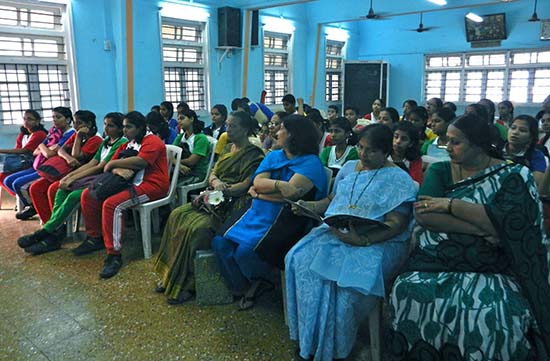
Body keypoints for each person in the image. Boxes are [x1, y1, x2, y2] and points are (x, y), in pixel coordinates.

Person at [388, 113, 550, 360]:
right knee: (407, 288)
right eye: (447, 142)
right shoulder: (441, 170)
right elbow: (424, 215)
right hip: (438, 258)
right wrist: (483, 226)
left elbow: (516, 224)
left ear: (478, 144)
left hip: (496, 264)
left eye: (456, 142)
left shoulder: (514, 175)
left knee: (495, 313)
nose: (448, 148)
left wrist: (451, 205)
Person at [286, 124, 417, 361]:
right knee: (299, 260)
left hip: (379, 242)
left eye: (371, 151)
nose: (363, 155)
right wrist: (310, 207)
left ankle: (338, 348)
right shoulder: (348, 168)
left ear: (386, 152)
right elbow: (332, 200)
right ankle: (312, 340)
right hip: (339, 233)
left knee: (343, 285)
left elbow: (396, 223)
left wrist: (363, 239)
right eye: (360, 147)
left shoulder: (399, 179)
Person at [212, 115, 328, 310]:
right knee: (219, 242)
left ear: (294, 135)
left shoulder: (311, 164)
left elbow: (288, 198)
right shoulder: (275, 155)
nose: (276, 132)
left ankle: (257, 282)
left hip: (287, 217)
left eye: (281, 129)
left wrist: (259, 194)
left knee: (245, 251)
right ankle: (243, 285)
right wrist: (278, 185)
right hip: (256, 211)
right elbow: (258, 182)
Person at [153, 111, 265, 304]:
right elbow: (213, 172)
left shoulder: (255, 155)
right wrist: (214, 183)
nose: (228, 129)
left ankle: (188, 284)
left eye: (233, 126)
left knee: (198, 229)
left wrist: (224, 190)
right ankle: (170, 274)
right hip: (213, 195)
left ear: (246, 129)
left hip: (233, 201)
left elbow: (246, 185)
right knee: (176, 215)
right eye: (227, 125)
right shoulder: (229, 148)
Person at [16, 112, 126, 255]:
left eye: (110, 125)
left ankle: (46, 232)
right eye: (105, 124)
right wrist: (68, 177)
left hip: (104, 180)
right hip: (91, 177)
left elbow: (98, 167)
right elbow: (92, 163)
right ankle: (54, 231)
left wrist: (72, 178)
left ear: (120, 128)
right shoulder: (106, 142)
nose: (106, 128)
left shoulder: (119, 142)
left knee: (74, 196)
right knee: (60, 189)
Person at [77, 111, 169, 278]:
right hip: (129, 182)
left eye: (129, 127)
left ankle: (114, 255)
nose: (124, 130)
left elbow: (141, 161)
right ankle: (94, 237)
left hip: (151, 185)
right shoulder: (130, 143)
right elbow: (111, 163)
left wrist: (113, 163)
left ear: (140, 128)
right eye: (124, 127)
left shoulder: (152, 141)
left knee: (112, 205)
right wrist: (115, 166)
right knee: (87, 195)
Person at [29, 110, 103, 224]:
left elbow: (76, 155)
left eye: (79, 123)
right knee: (35, 188)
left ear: (89, 124)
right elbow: (60, 149)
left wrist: (78, 137)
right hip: (64, 170)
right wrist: (68, 158)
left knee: (53, 189)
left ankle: (58, 223)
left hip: (80, 173)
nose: (76, 126)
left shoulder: (95, 140)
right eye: (75, 123)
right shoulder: (76, 134)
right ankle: (48, 221)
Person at [5, 107, 75, 220]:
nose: (55, 120)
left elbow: (49, 154)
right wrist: (44, 147)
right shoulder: (54, 131)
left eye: (58, 117)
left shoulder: (70, 134)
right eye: (53, 117)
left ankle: (33, 207)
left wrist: (43, 147)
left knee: (20, 184)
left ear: (68, 120)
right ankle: (33, 206)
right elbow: (35, 151)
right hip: (40, 166)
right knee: (8, 180)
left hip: (53, 169)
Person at [0, 110, 47, 195]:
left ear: (37, 121)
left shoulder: (40, 134)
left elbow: (25, 150)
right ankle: (19, 197)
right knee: (2, 176)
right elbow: (17, 149)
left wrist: (1, 150)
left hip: (33, 163)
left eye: (30, 119)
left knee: (9, 179)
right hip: (22, 162)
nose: (26, 121)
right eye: (24, 119)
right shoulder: (23, 134)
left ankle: (24, 197)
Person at [503, 115, 546, 191]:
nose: (515, 132)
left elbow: (536, 184)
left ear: (531, 137)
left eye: (522, 130)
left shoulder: (536, 156)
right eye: (513, 128)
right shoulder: (495, 150)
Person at [173, 109, 209, 186]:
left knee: (172, 183)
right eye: (178, 119)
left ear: (191, 119)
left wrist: (175, 161)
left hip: (196, 174)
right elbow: (169, 154)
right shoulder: (180, 137)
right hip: (181, 169)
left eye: (182, 118)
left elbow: (191, 161)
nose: (179, 121)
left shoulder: (201, 138)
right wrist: (179, 165)